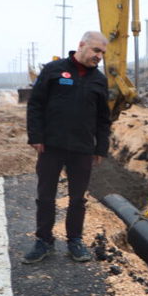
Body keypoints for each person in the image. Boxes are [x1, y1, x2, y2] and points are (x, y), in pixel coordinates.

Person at [23, 31, 112, 263]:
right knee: (45, 196)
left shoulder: (99, 80)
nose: (99, 56)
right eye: (96, 50)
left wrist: (100, 148)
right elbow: (36, 104)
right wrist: (36, 136)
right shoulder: (54, 70)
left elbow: (104, 118)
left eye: (102, 53)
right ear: (81, 45)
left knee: (78, 199)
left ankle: (75, 240)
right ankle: (43, 241)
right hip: (51, 145)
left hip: (82, 148)